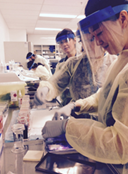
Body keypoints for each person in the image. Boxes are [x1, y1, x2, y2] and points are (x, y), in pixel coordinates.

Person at [41, 0, 128, 165]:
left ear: (123, 19)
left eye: (99, 33)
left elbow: (122, 145)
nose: (97, 43)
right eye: (90, 38)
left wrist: (67, 127)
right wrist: (77, 105)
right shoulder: (122, 61)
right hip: (103, 151)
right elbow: (105, 94)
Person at [34, 30, 117, 109]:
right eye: (84, 40)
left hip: (106, 118)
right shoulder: (74, 63)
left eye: (91, 39)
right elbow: (56, 83)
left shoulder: (115, 62)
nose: (87, 45)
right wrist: (47, 88)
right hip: (78, 115)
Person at [53, 28, 78, 105]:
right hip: (65, 103)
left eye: (67, 40)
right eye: (61, 42)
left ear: (74, 40)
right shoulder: (61, 63)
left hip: (82, 104)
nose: (64, 44)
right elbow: (55, 82)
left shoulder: (83, 61)